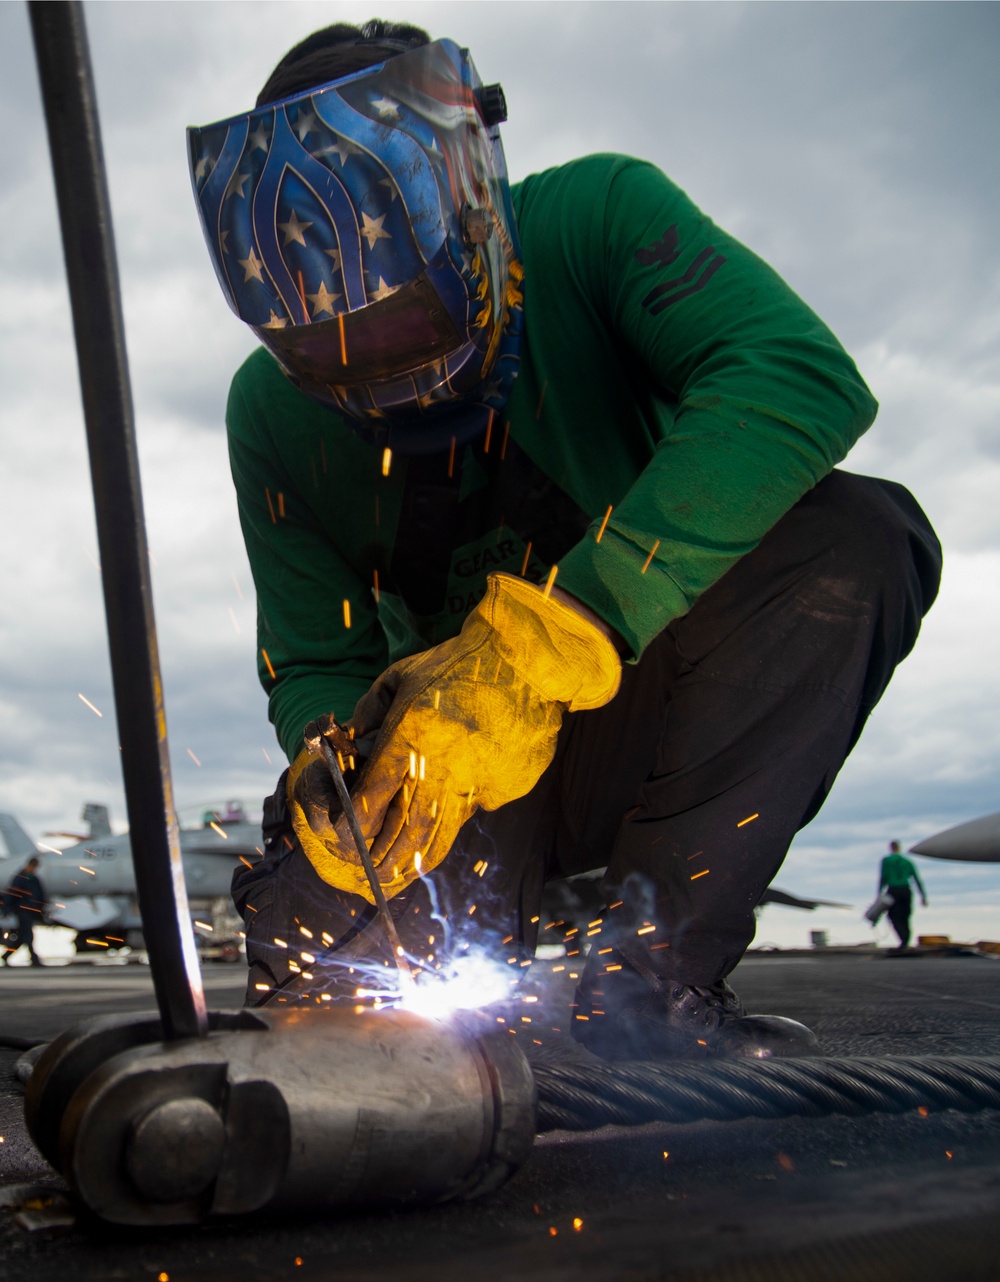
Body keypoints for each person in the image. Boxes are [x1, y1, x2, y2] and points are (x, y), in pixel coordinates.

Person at [189, 20, 941, 1060]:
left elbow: (796, 376)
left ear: (476, 207)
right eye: (323, 354)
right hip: (455, 777)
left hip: (652, 722)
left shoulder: (593, 217)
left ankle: (647, 989)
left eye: (406, 325)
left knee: (856, 540)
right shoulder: (269, 412)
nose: (369, 376)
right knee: (342, 1023)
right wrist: (335, 764)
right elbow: (316, 658)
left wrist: (551, 643)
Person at [879, 841, 928, 949]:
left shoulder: (886, 861)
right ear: (899, 848)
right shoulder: (908, 862)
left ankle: (903, 939)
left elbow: (883, 878)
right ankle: (905, 939)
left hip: (893, 890)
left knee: (893, 915)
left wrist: (879, 894)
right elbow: (916, 879)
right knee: (905, 916)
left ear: (891, 848)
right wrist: (923, 896)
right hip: (906, 890)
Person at [1, 856, 46, 968]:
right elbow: (12, 895)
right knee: (28, 936)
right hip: (22, 911)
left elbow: (40, 896)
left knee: (23, 937)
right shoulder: (20, 879)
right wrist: (7, 909)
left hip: (30, 912)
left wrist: (41, 909)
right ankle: (34, 959)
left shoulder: (34, 879)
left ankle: (7, 955)